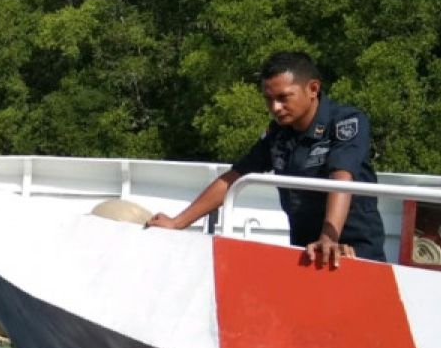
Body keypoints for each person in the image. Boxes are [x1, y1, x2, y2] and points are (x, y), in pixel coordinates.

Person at [147, 51, 386, 266]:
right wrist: (178, 223)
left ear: (313, 89)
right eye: (269, 99)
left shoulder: (345, 122)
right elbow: (235, 177)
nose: (276, 107)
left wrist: (328, 238)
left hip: (351, 250)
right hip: (305, 251)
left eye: (284, 97)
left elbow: (341, 177)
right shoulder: (278, 134)